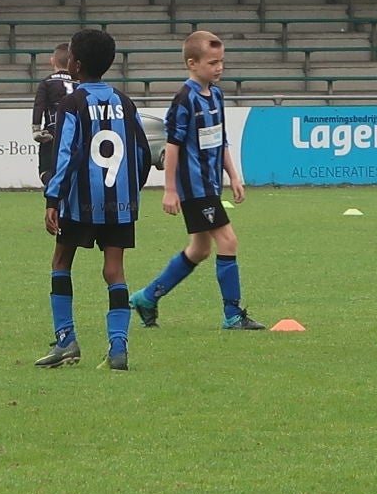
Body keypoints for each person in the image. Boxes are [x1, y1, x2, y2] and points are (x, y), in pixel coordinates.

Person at [128, 31, 263, 331]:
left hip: (211, 184)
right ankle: (232, 315)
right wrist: (170, 189)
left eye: (221, 61)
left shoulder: (216, 94)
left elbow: (220, 139)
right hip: (195, 188)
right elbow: (172, 146)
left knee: (200, 249)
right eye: (212, 62)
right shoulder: (184, 99)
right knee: (228, 240)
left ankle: (146, 298)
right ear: (192, 63)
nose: (219, 67)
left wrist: (233, 175)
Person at [35, 28, 150, 371]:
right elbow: (143, 152)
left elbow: (66, 154)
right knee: (114, 270)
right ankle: (118, 348)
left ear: (75, 64)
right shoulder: (125, 102)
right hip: (120, 203)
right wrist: (132, 191)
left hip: (80, 201)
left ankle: (66, 340)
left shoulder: (72, 104)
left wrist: (53, 199)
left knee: (61, 261)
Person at [31, 42, 76, 185]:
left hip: (53, 132)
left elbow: (39, 106)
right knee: (74, 170)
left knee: (46, 170)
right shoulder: (79, 83)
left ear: (52, 61)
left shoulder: (47, 82)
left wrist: (36, 129)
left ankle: (56, 193)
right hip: (76, 132)